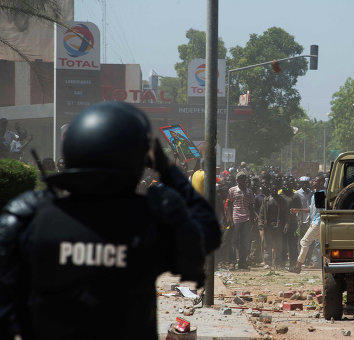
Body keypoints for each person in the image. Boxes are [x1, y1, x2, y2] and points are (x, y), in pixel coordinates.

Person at [0, 102, 220, 339]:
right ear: (140, 159)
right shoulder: (152, 219)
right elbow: (208, 232)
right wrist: (169, 171)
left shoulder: (29, 217)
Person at [292, 176, 326, 273]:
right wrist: (298, 210)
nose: (313, 182)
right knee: (323, 246)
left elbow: (320, 211)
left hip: (317, 222)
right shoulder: (315, 194)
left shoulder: (320, 194)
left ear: (322, 182)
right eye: (314, 180)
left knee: (304, 241)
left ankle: (298, 266)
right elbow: (312, 209)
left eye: (316, 181)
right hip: (318, 222)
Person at [227, 172, 256, 269]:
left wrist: (252, 220)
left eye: (243, 179)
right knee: (234, 241)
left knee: (244, 241)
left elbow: (251, 206)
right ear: (237, 180)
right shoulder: (232, 190)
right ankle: (232, 262)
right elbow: (229, 205)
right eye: (240, 179)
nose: (242, 181)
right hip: (236, 218)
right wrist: (230, 219)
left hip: (246, 218)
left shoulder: (249, 191)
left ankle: (242, 262)